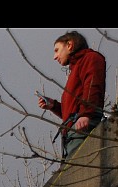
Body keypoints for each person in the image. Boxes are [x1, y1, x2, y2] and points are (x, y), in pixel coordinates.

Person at [37, 30, 106, 160]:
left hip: (82, 126)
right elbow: (73, 110)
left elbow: (93, 87)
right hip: (73, 131)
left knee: (77, 171)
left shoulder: (90, 58)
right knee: (70, 172)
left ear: (69, 45)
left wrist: (86, 114)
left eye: (57, 50)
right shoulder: (76, 69)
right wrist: (54, 106)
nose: (54, 56)